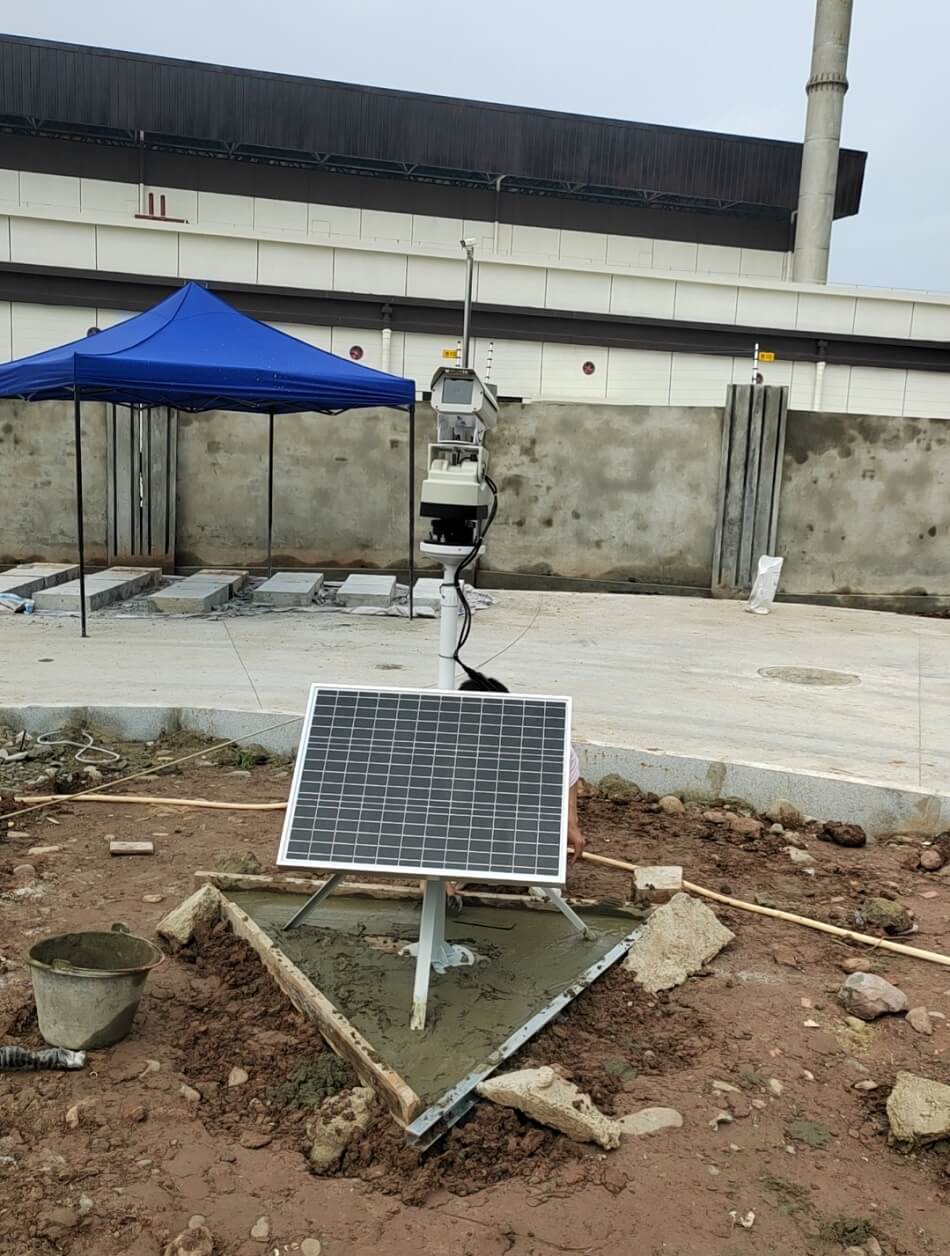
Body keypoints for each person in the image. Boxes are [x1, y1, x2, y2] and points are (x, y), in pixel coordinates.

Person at [458, 667, 586, 865]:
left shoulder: (540, 739)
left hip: (522, 810)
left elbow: (567, 764)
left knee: (530, 835)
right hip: (475, 816)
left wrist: (570, 822)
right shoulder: (453, 745)